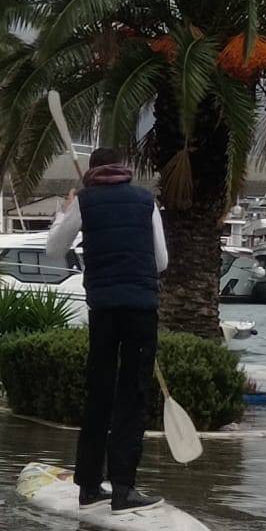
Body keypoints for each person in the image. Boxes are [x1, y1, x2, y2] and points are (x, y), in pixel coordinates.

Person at [44, 146, 168, 511]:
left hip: (103, 310)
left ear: (92, 171)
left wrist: (65, 212)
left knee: (98, 394)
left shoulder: (85, 202)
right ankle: (124, 489)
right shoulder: (146, 201)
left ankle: (88, 487)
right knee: (133, 396)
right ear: (124, 169)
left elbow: (54, 248)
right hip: (142, 309)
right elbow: (161, 262)